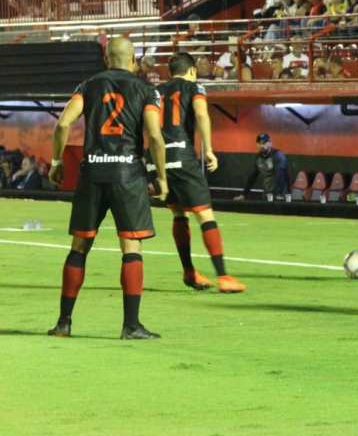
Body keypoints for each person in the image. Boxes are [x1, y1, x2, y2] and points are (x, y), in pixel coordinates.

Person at [46, 36, 168, 340]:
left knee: (79, 247)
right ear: (134, 60)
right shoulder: (147, 89)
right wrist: (162, 178)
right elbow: (154, 136)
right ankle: (131, 326)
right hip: (128, 174)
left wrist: (56, 162)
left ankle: (63, 323)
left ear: (105, 59)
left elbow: (62, 124)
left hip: (92, 174)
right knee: (131, 246)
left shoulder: (88, 85)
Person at [156, 53, 247, 293]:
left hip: (157, 158)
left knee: (178, 214)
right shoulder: (195, 86)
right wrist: (209, 150)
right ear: (193, 70)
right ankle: (224, 277)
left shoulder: (156, 90)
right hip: (182, 156)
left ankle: (189, 271)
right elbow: (201, 114)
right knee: (205, 215)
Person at [233, 133, 290, 200]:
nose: (262, 145)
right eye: (259, 143)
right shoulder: (258, 158)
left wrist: (281, 194)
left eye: (264, 143)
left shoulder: (278, 155)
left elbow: (281, 175)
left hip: (280, 196)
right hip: (267, 195)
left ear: (270, 143)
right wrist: (244, 195)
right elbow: (252, 177)